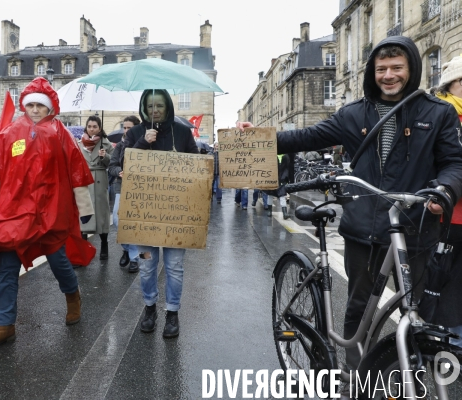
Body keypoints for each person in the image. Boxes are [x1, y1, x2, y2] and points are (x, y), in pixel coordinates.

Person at [239, 36, 462, 368]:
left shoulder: (438, 112)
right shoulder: (353, 113)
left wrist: (444, 191)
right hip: (364, 230)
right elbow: (306, 137)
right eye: (381, 68)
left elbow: (454, 162)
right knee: (359, 309)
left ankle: (408, 373)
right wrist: (259, 136)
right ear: (372, 71)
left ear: (411, 68)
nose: (389, 75)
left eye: (397, 68)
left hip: (415, 230)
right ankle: (352, 377)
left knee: (414, 313)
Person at [0, 77, 95, 353]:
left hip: (49, 212)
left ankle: (72, 296)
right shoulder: (8, 134)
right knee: (7, 267)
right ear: (24, 106)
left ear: (49, 107)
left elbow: (77, 172)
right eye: (31, 105)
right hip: (14, 213)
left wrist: (85, 212)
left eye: (41, 105)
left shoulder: (60, 133)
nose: (36, 109)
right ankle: (5, 325)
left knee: (58, 262)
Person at [124, 89, 199, 338]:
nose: (155, 110)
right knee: (146, 266)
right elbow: (120, 164)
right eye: (150, 106)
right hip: (144, 217)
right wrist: (143, 142)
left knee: (175, 267)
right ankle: (149, 308)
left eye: (160, 106)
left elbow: (198, 167)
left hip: (176, 216)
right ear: (144, 108)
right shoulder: (135, 133)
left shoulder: (183, 133)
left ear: (167, 107)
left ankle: (172, 312)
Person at [430, 54, 462, 345]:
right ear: (453, 83)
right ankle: (446, 342)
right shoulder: (444, 115)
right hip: (448, 214)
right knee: (444, 282)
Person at [78, 116, 114, 260]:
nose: (92, 129)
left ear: (99, 128)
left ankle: (104, 245)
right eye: (90, 126)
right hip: (84, 182)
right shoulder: (79, 144)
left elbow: (113, 163)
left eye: (95, 126)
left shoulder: (106, 144)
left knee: (102, 216)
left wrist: (104, 157)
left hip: (99, 180)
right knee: (84, 215)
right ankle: (83, 249)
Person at [109, 115, 141, 273]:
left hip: (138, 189)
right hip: (121, 186)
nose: (126, 130)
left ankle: (134, 257)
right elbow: (112, 165)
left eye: (130, 128)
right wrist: (118, 171)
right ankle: (126, 249)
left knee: (132, 223)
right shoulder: (120, 145)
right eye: (125, 127)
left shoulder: (143, 144)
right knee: (116, 219)